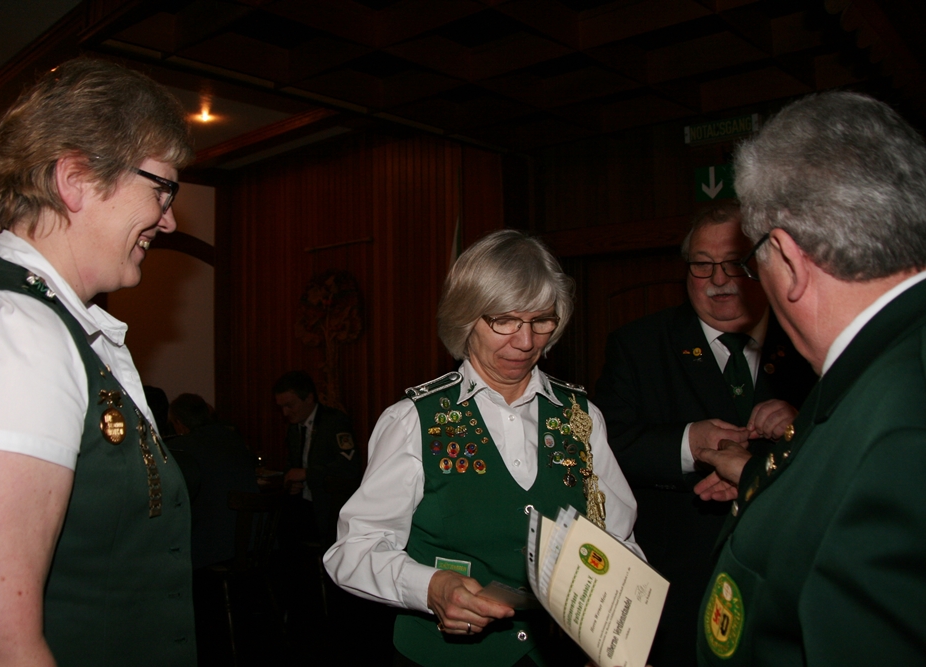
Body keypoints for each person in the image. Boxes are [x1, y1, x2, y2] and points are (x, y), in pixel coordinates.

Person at [0, 59, 195, 666]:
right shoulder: (14, 335)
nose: (169, 218)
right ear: (75, 178)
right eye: (161, 189)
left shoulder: (45, 325)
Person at [324, 230, 643, 666]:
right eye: (504, 321)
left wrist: (617, 639)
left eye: (541, 321)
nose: (526, 342)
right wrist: (430, 587)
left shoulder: (581, 417)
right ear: (465, 318)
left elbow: (619, 543)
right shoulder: (413, 421)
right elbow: (353, 551)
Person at [694, 91, 926, 664]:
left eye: (752, 262)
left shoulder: (904, 429)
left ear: (788, 259)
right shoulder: (883, 361)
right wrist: (757, 476)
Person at [592, 202, 816, 665]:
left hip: (790, 589)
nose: (719, 279)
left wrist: (801, 426)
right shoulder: (639, 345)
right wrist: (686, 443)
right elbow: (604, 449)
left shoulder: (810, 341)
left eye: (734, 263)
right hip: (679, 598)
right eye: (702, 264)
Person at [167, 393, 259, 568]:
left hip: (214, 547)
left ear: (179, 423)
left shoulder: (181, 449)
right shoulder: (232, 436)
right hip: (254, 539)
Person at [273, 370, 361, 548]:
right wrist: (291, 481)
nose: (285, 412)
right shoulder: (294, 428)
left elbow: (349, 467)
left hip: (330, 508)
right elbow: (292, 464)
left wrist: (307, 474)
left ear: (309, 398)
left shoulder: (334, 422)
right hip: (304, 505)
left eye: (290, 405)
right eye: (281, 407)